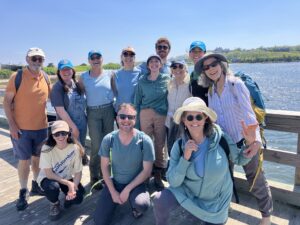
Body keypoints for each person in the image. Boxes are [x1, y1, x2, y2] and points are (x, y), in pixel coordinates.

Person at [195, 53, 273, 225]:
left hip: (245, 141)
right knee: (224, 177)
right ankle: (224, 208)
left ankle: (266, 217)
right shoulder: (211, 91)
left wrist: (256, 141)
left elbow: (249, 114)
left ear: (221, 65)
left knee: (256, 179)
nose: (211, 69)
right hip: (224, 144)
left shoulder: (236, 84)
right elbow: (215, 119)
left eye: (213, 64)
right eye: (206, 67)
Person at [153, 97, 257, 225]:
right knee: (159, 199)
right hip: (190, 197)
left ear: (205, 118)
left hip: (216, 205)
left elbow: (240, 160)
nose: (194, 121)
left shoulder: (221, 139)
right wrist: (185, 158)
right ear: (184, 121)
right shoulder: (179, 146)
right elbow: (173, 182)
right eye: (190, 117)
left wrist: (250, 143)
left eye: (199, 117)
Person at [3, 47, 50, 210]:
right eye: (34, 58)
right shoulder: (17, 77)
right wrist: (12, 125)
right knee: (24, 161)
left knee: (37, 159)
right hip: (21, 129)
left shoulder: (45, 77)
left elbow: (48, 100)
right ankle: (23, 191)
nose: (37, 61)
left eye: (40, 59)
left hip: (42, 128)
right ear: (27, 59)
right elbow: (6, 102)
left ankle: (36, 185)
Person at [94, 103, 155, 225]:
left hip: (136, 183)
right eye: (122, 116)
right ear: (117, 118)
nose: (126, 120)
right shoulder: (109, 139)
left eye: (130, 117)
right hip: (115, 182)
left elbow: (147, 171)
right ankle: (115, 200)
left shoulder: (145, 141)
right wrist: (112, 191)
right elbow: (104, 168)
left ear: (135, 119)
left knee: (142, 205)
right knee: (99, 221)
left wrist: (127, 189)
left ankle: (134, 205)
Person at [79, 50, 115, 189]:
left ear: (102, 59)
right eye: (92, 58)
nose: (95, 60)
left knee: (108, 144)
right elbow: (79, 95)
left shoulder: (110, 74)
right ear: (89, 60)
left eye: (98, 57)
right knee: (96, 145)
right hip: (93, 112)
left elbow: (115, 91)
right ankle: (94, 176)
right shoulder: (83, 77)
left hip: (108, 110)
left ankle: (106, 175)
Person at [134, 55, 170, 189]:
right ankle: (146, 173)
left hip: (161, 114)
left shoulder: (167, 79)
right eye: (151, 62)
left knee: (160, 144)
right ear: (148, 65)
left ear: (160, 65)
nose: (154, 64)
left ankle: (159, 174)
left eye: (157, 62)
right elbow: (137, 101)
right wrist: (136, 120)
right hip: (145, 113)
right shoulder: (142, 81)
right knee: (146, 144)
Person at [37, 120, 85, 221]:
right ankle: (54, 203)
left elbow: (78, 171)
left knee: (79, 197)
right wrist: (69, 183)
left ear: (69, 133)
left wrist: (73, 187)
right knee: (52, 188)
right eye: (57, 134)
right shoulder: (46, 148)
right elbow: (49, 174)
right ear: (52, 135)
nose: (60, 136)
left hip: (66, 177)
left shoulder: (75, 148)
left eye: (64, 133)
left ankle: (68, 199)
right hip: (48, 178)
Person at [50, 59, 87, 146]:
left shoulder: (78, 84)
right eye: (63, 69)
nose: (66, 72)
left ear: (73, 71)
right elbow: (60, 111)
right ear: (59, 72)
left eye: (68, 69)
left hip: (82, 124)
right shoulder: (57, 88)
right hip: (67, 127)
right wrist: (73, 128)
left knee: (81, 149)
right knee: (71, 151)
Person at [165, 60, 191, 154]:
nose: (177, 69)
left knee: (184, 150)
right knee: (171, 149)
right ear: (171, 70)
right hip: (170, 122)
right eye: (174, 67)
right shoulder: (169, 83)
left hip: (184, 123)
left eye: (180, 66)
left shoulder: (191, 83)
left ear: (186, 68)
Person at [111, 47, 140, 112]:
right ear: (121, 57)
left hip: (134, 112)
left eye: (131, 55)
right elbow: (114, 93)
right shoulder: (115, 74)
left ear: (134, 58)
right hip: (120, 113)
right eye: (125, 54)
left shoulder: (140, 73)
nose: (128, 57)